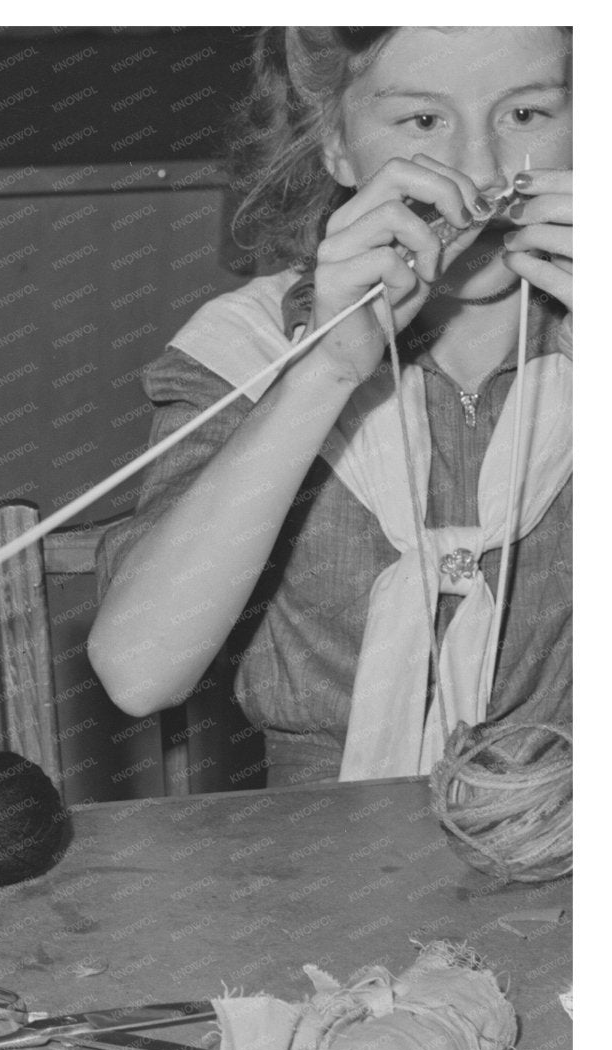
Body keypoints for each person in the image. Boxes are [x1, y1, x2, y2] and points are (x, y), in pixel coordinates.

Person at [88, 27, 571, 787]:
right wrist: (328, 370)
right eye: (422, 121)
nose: (479, 169)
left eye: (528, 116)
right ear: (337, 146)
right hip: (325, 854)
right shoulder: (250, 349)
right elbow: (140, 672)